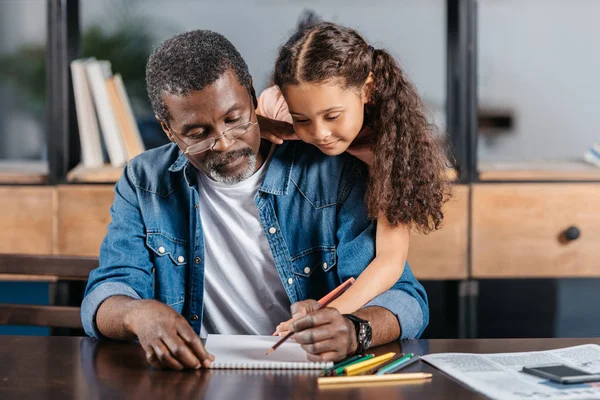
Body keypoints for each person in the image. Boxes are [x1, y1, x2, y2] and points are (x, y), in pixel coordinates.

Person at [81, 29, 428, 371]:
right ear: (168, 129)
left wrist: (354, 329)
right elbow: (108, 290)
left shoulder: (333, 170)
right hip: (193, 381)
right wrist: (135, 314)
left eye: (234, 119)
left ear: (251, 94)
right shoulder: (145, 181)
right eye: (197, 133)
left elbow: (405, 299)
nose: (224, 143)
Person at [257, 22, 451, 335]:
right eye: (302, 119)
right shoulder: (278, 105)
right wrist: (259, 125)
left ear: (367, 89)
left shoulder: (387, 149)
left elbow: (389, 261)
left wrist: (330, 313)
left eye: (332, 116)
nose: (319, 133)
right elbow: (256, 109)